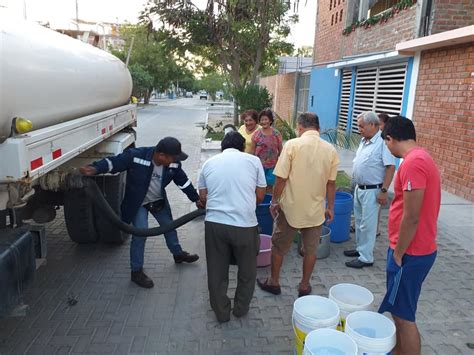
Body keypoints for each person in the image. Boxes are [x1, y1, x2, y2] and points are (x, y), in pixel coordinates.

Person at [80, 137, 202, 289]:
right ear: (161, 155)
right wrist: (96, 168)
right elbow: (115, 162)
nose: (175, 160)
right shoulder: (137, 156)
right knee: (140, 234)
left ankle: (178, 254)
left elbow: (183, 182)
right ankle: (136, 272)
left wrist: (196, 198)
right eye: (173, 157)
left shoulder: (173, 165)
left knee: (169, 227)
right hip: (138, 204)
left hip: (158, 201)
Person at [257, 112, 339, 297]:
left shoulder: (292, 145)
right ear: (317, 128)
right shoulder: (330, 149)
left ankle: (274, 282)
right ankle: (304, 286)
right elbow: (331, 183)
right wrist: (331, 207)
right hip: (315, 211)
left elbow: (281, 178)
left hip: (291, 209)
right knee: (311, 250)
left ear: (300, 127)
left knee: (278, 247)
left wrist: (274, 201)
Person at [378, 116, 440, 355]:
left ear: (391, 138)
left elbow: (412, 216)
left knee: (404, 317)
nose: (387, 147)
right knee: (398, 309)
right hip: (412, 250)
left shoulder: (413, 162)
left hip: (410, 253)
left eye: (386, 142)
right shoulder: (419, 158)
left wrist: (399, 253)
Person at [198, 131, 266, 322]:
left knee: (216, 271)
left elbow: (203, 197)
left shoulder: (208, 163)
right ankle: (240, 309)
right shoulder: (253, 161)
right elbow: (260, 196)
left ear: (222, 147)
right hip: (245, 224)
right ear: (242, 146)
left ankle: (221, 312)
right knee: (247, 270)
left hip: (215, 225)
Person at [344, 111, 395, 269]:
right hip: (360, 188)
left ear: (373, 125)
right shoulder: (364, 140)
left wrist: (384, 190)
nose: (359, 129)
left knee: (368, 225)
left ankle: (366, 258)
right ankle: (360, 249)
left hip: (373, 190)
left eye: (361, 126)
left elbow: (390, 167)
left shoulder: (382, 142)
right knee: (359, 222)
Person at [251, 108, 282, 191]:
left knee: (270, 187)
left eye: (266, 119)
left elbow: (280, 151)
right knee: (258, 187)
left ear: (270, 120)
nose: (264, 122)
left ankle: (268, 203)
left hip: (272, 167)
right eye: (262, 120)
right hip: (259, 166)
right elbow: (252, 152)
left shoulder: (276, 134)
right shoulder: (256, 135)